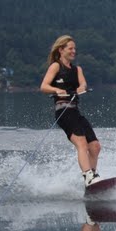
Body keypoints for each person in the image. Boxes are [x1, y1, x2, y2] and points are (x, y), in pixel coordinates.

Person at [40, 35, 102, 187]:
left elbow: (83, 85)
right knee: (81, 142)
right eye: (70, 48)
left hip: (75, 111)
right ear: (61, 50)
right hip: (63, 111)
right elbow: (44, 86)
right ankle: (88, 176)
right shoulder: (55, 66)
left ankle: (93, 176)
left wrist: (81, 88)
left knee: (95, 146)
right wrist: (56, 90)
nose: (74, 51)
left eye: (75, 48)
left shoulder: (77, 69)